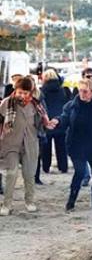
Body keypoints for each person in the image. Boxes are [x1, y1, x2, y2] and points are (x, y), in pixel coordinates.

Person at [49, 79, 92, 211]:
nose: (82, 94)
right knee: (80, 172)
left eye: (85, 91)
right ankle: (71, 200)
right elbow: (64, 118)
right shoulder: (71, 105)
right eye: (80, 90)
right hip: (77, 146)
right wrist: (57, 121)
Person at [0, 76, 50, 216]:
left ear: (30, 93)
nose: (21, 95)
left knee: (29, 174)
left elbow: (43, 123)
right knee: (12, 173)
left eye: (25, 93)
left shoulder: (36, 105)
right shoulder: (6, 103)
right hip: (10, 144)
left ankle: (29, 201)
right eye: (19, 92)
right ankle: (7, 204)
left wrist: (47, 124)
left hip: (30, 143)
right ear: (15, 90)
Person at [40, 69, 71, 174]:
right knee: (61, 146)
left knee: (46, 147)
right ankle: (63, 167)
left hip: (47, 121)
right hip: (60, 119)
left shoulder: (41, 91)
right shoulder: (63, 90)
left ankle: (46, 167)